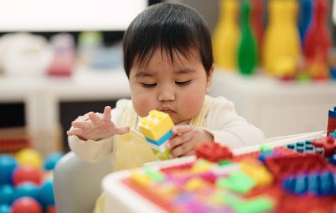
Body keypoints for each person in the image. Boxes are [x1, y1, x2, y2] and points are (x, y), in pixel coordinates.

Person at [67, 2, 264, 212]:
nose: (166, 96)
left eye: (182, 82)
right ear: (130, 81)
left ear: (208, 78)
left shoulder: (213, 113)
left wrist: (209, 140)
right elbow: (87, 153)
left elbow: (256, 140)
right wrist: (91, 135)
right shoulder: (123, 117)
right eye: (148, 84)